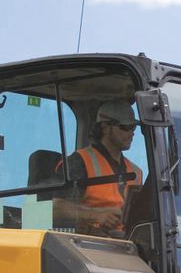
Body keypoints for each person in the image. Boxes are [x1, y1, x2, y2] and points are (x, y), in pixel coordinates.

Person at [55, 99, 144, 236]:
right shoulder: (79, 162)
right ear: (105, 127)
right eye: (125, 127)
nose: (132, 133)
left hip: (127, 243)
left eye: (134, 127)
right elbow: (56, 209)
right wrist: (96, 215)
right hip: (89, 244)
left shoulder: (136, 172)